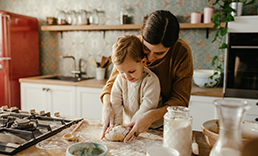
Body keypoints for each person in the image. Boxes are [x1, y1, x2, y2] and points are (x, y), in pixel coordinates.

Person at [100, 10, 193, 143]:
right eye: (146, 48)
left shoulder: (181, 52)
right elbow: (111, 85)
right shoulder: (132, 46)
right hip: (130, 124)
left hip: (163, 127)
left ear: (171, 47)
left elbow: (180, 100)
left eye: (159, 53)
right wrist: (107, 107)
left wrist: (150, 116)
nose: (149, 58)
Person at [108, 35, 162, 129]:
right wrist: (117, 126)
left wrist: (131, 125)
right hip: (130, 125)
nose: (127, 76)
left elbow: (146, 107)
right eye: (121, 72)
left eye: (131, 71)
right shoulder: (120, 79)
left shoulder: (151, 81)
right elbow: (115, 102)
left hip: (153, 128)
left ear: (143, 62)